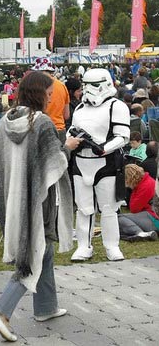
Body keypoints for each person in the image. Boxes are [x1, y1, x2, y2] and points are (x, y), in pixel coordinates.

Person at [0, 71, 81, 342]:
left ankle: (46, 307)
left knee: (45, 248)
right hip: (37, 199)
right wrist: (69, 146)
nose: (52, 98)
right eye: (49, 94)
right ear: (39, 93)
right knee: (34, 252)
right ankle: (2, 312)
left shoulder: (4, 121)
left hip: (10, 196)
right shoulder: (41, 123)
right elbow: (54, 161)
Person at [69, 68, 130, 262]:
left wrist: (104, 148)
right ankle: (83, 246)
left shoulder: (116, 106)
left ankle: (111, 246)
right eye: (85, 85)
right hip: (81, 162)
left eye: (93, 85)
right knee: (84, 208)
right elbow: (72, 131)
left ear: (104, 84)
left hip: (105, 163)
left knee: (108, 208)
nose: (88, 90)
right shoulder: (79, 108)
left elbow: (122, 136)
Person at [118, 164, 158, 242]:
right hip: (153, 216)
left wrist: (134, 189)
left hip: (154, 219)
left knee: (119, 218)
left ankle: (140, 233)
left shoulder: (146, 186)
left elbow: (134, 208)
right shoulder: (148, 181)